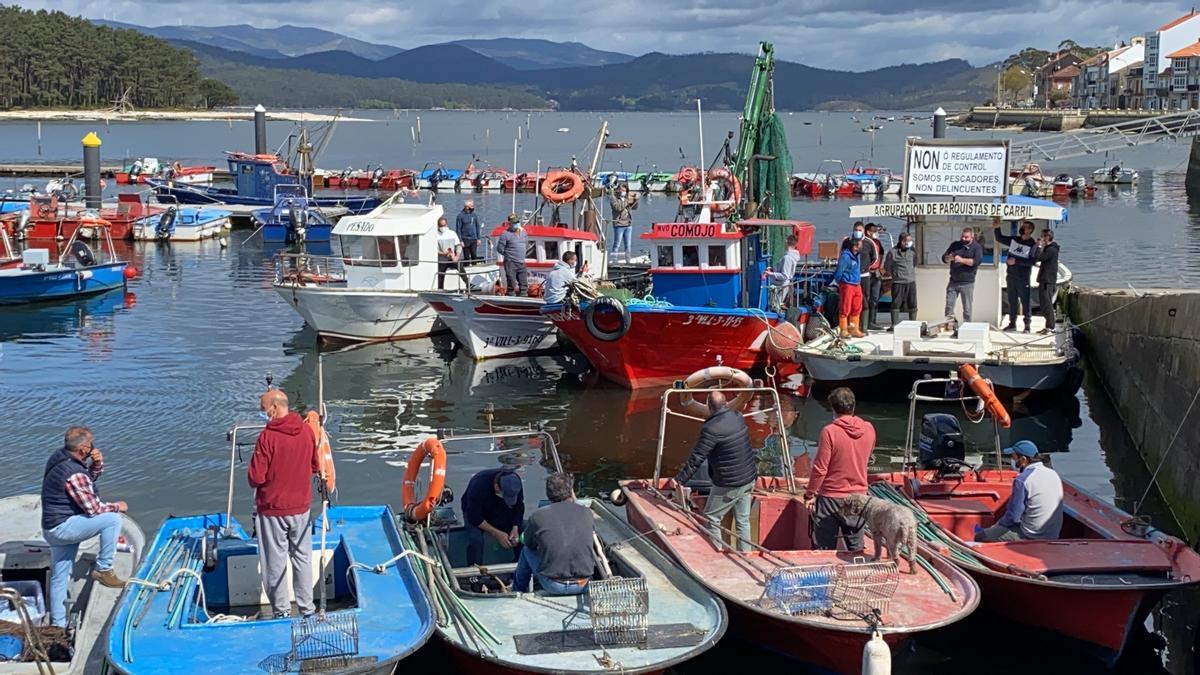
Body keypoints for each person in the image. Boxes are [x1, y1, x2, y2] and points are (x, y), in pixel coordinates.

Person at [41, 426, 129, 627]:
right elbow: (94, 508)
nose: (93, 448)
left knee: (60, 576)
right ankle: (104, 569)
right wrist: (118, 507)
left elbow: (84, 484)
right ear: (83, 448)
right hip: (64, 527)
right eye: (91, 445)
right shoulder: (73, 472)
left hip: (51, 527)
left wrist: (96, 464)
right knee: (113, 519)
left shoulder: (59, 457)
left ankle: (58, 623)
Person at [248, 390, 320, 619]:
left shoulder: (267, 438)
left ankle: (281, 612)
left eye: (263, 410)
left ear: (274, 408)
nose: (263, 414)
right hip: (301, 508)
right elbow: (315, 466)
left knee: (275, 562)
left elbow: (255, 478)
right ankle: (308, 609)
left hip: (272, 510)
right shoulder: (307, 432)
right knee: (303, 559)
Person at [672, 391, 758, 552]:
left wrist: (679, 480)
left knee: (711, 517)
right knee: (743, 520)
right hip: (749, 478)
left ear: (709, 406)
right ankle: (745, 554)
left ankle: (716, 553)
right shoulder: (738, 416)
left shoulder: (711, 429)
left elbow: (697, 457)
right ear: (725, 403)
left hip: (729, 483)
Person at [804, 388, 876, 552]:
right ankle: (858, 575)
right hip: (859, 498)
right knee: (856, 549)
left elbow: (820, 469)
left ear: (833, 409)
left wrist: (809, 494)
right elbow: (866, 456)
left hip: (831, 498)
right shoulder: (869, 429)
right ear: (853, 406)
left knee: (824, 551)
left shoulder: (829, 432)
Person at [512, 473, 595, 595]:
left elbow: (529, 543)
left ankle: (517, 591)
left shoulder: (537, 516)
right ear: (571, 491)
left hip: (555, 586)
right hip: (584, 584)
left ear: (548, 494)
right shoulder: (587, 513)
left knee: (526, 551)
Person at [975, 441, 1063, 542]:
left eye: (1014, 457)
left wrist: (996, 527)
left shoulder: (1022, 480)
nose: (1013, 460)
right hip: (1053, 534)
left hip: (1030, 536)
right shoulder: (1054, 474)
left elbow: (1013, 517)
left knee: (981, 536)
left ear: (1023, 460)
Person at [462, 467, 525, 566]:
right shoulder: (479, 484)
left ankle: (520, 566)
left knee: (523, 532)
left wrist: (515, 527)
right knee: (475, 539)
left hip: (502, 508)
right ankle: (474, 572)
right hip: (476, 510)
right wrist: (497, 533)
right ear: (496, 486)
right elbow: (473, 516)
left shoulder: (515, 482)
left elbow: (519, 507)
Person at [994, 219, 1039, 332]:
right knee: (1012, 300)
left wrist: (1017, 262)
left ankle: (1027, 325)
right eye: (1022, 225)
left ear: (1030, 230)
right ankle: (1012, 323)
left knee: (1025, 301)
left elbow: (1032, 261)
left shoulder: (1032, 244)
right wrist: (996, 227)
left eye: (1025, 226)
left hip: (1023, 277)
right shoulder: (1015, 240)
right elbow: (1000, 238)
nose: (1022, 227)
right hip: (1011, 275)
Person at [942, 226, 983, 322]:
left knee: (967, 309)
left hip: (967, 283)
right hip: (953, 281)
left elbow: (976, 262)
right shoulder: (955, 245)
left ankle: (967, 327)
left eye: (966, 237)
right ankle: (949, 325)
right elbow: (944, 258)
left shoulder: (977, 248)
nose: (963, 239)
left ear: (972, 237)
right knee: (949, 306)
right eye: (962, 237)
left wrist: (961, 260)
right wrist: (948, 258)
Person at [884, 232, 917, 329]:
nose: (910, 242)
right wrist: (895, 274)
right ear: (902, 241)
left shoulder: (913, 251)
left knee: (912, 303)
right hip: (898, 282)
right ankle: (894, 324)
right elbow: (887, 266)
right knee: (896, 303)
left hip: (911, 281)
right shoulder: (892, 252)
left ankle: (913, 324)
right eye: (908, 240)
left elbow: (915, 262)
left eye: (911, 240)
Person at [834, 237, 864, 338]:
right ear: (854, 246)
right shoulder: (845, 257)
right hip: (847, 284)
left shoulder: (857, 256)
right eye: (858, 246)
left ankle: (854, 329)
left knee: (857, 306)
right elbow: (839, 271)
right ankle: (843, 330)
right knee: (845, 307)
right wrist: (841, 283)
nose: (860, 248)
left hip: (857, 284)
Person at [494, 214, 529, 296]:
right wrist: (508, 255)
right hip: (510, 262)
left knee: (523, 282)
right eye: (514, 223)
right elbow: (500, 249)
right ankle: (511, 295)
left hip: (521, 261)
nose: (517, 224)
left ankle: (523, 295)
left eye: (517, 222)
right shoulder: (505, 234)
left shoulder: (523, 232)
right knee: (511, 282)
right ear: (510, 224)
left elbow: (526, 244)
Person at [766, 234, 801, 310]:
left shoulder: (787, 258)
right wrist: (773, 269)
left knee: (774, 306)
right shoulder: (791, 256)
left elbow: (784, 276)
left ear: (786, 242)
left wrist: (770, 274)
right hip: (782, 285)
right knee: (775, 305)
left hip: (780, 286)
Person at [1035, 229, 1061, 334]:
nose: (1041, 238)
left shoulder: (1051, 250)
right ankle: (1048, 326)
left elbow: (1039, 257)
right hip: (1045, 280)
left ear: (1047, 237)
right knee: (1044, 304)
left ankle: (1051, 326)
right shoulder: (1050, 248)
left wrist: (1039, 246)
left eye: (1042, 237)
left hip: (1047, 281)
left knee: (1047, 304)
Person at [860, 223, 884, 330]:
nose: (876, 233)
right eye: (874, 231)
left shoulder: (878, 243)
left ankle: (872, 321)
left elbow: (881, 254)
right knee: (865, 298)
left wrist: (880, 266)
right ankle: (863, 322)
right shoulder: (864, 243)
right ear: (868, 231)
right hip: (867, 274)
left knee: (875, 298)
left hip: (876, 273)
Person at [436, 216, 469, 290]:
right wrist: (442, 253)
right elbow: (434, 250)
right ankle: (440, 289)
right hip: (442, 259)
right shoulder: (435, 235)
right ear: (438, 226)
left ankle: (468, 284)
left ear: (447, 225)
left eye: (444, 225)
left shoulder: (452, 233)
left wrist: (457, 256)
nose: (443, 227)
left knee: (461, 268)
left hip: (452, 258)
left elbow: (458, 245)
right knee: (440, 275)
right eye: (441, 226)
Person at [609, 184, 639, 258]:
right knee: (617, 244)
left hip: (628, 224)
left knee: (628, 245)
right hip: (619, 224)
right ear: (618, 190)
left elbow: (635, 207)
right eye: (622, 190)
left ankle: (628, 260)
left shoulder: (627, 198)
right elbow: (618, 208)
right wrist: (627, 201)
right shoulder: (613, 198)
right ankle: (613, 260)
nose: (623, 192)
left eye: (624, 191)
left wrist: (636, 199)